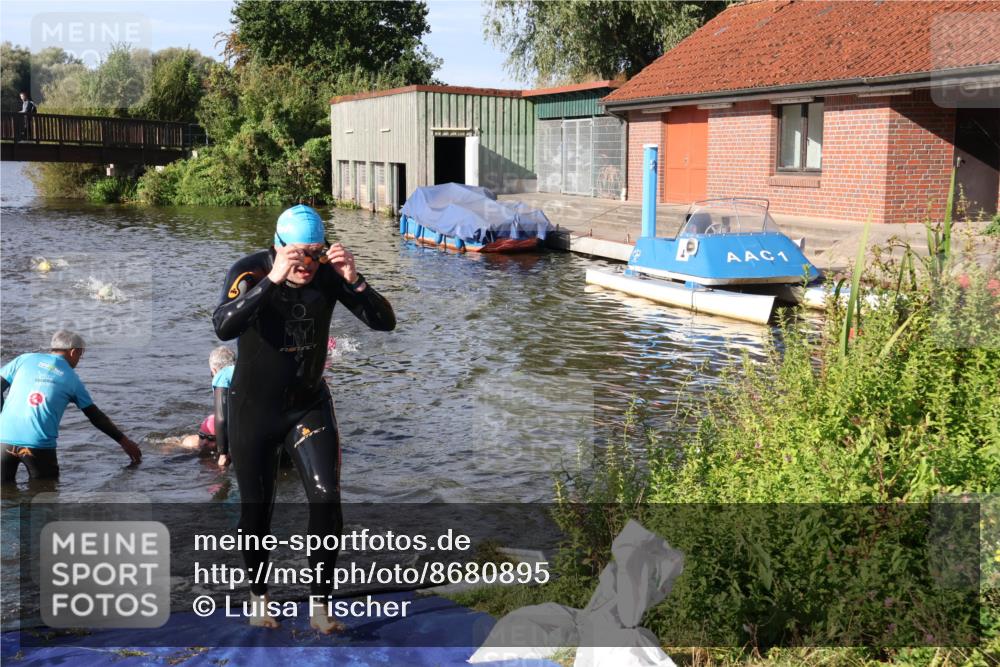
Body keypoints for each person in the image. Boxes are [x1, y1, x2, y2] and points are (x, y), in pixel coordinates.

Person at [213, 204, 395, 633]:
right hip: (252, 410)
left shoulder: (329, 275)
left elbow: (385, 322)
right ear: (277, 248)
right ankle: (259, 598)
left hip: (307, 404)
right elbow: (223, 325)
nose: (307, 265)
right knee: (257, 513)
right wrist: (274, 279)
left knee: (326, 497)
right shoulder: (250, 272)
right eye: (297, 255)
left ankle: (320, 605)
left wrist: (355, 279)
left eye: (315, 254)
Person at [1, 330, 142, 483]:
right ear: (74, 352)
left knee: (4, 495)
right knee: (44, 498)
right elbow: (95, 416)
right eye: (81, 355)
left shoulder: (24, 359)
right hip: (38, 444)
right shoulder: (71, 379)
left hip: (3, 440)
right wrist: (124, 441)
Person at [181, 345, 235, 467]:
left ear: (214, 371)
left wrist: (223, 453)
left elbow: (221, 419)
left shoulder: (222, 376)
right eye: (202, 436)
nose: (205, 442)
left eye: (210, 439)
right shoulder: (242, 372)